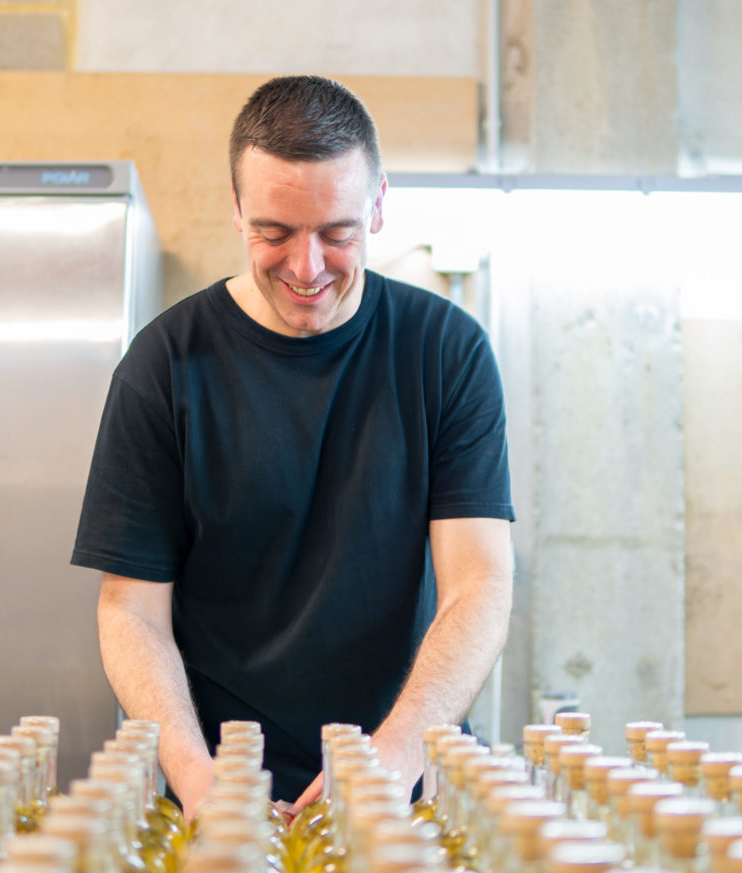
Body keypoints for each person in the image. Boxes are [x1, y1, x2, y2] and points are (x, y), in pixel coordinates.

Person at [71, 74, 515, 823]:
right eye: (274, 233)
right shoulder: (164, 366)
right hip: (222, 789)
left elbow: (478, 585)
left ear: (377, 206)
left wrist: (393, 758)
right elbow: (130, 610)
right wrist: (195, 775)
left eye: (337, 234)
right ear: (237, 209)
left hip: (399, 786)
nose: (306, 269)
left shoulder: (445, 352)